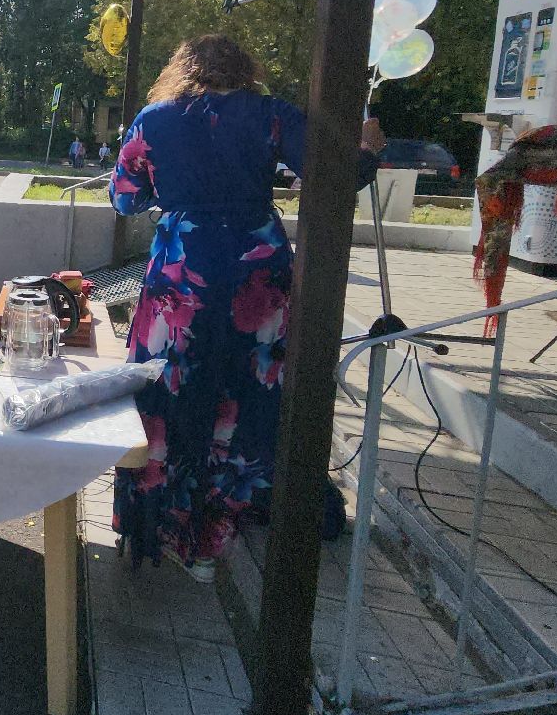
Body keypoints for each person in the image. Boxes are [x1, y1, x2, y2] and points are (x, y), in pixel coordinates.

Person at [110, 35, 384, 583]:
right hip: (256, 267)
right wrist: (370, 150)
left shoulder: (155, 119)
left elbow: (125, 197)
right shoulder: (272, 116)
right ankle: (217, 534)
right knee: (246, 392)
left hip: (181, 271)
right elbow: (337, 176)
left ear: (183, 70)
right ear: (245, 70)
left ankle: (159, 525)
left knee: (168, 387)